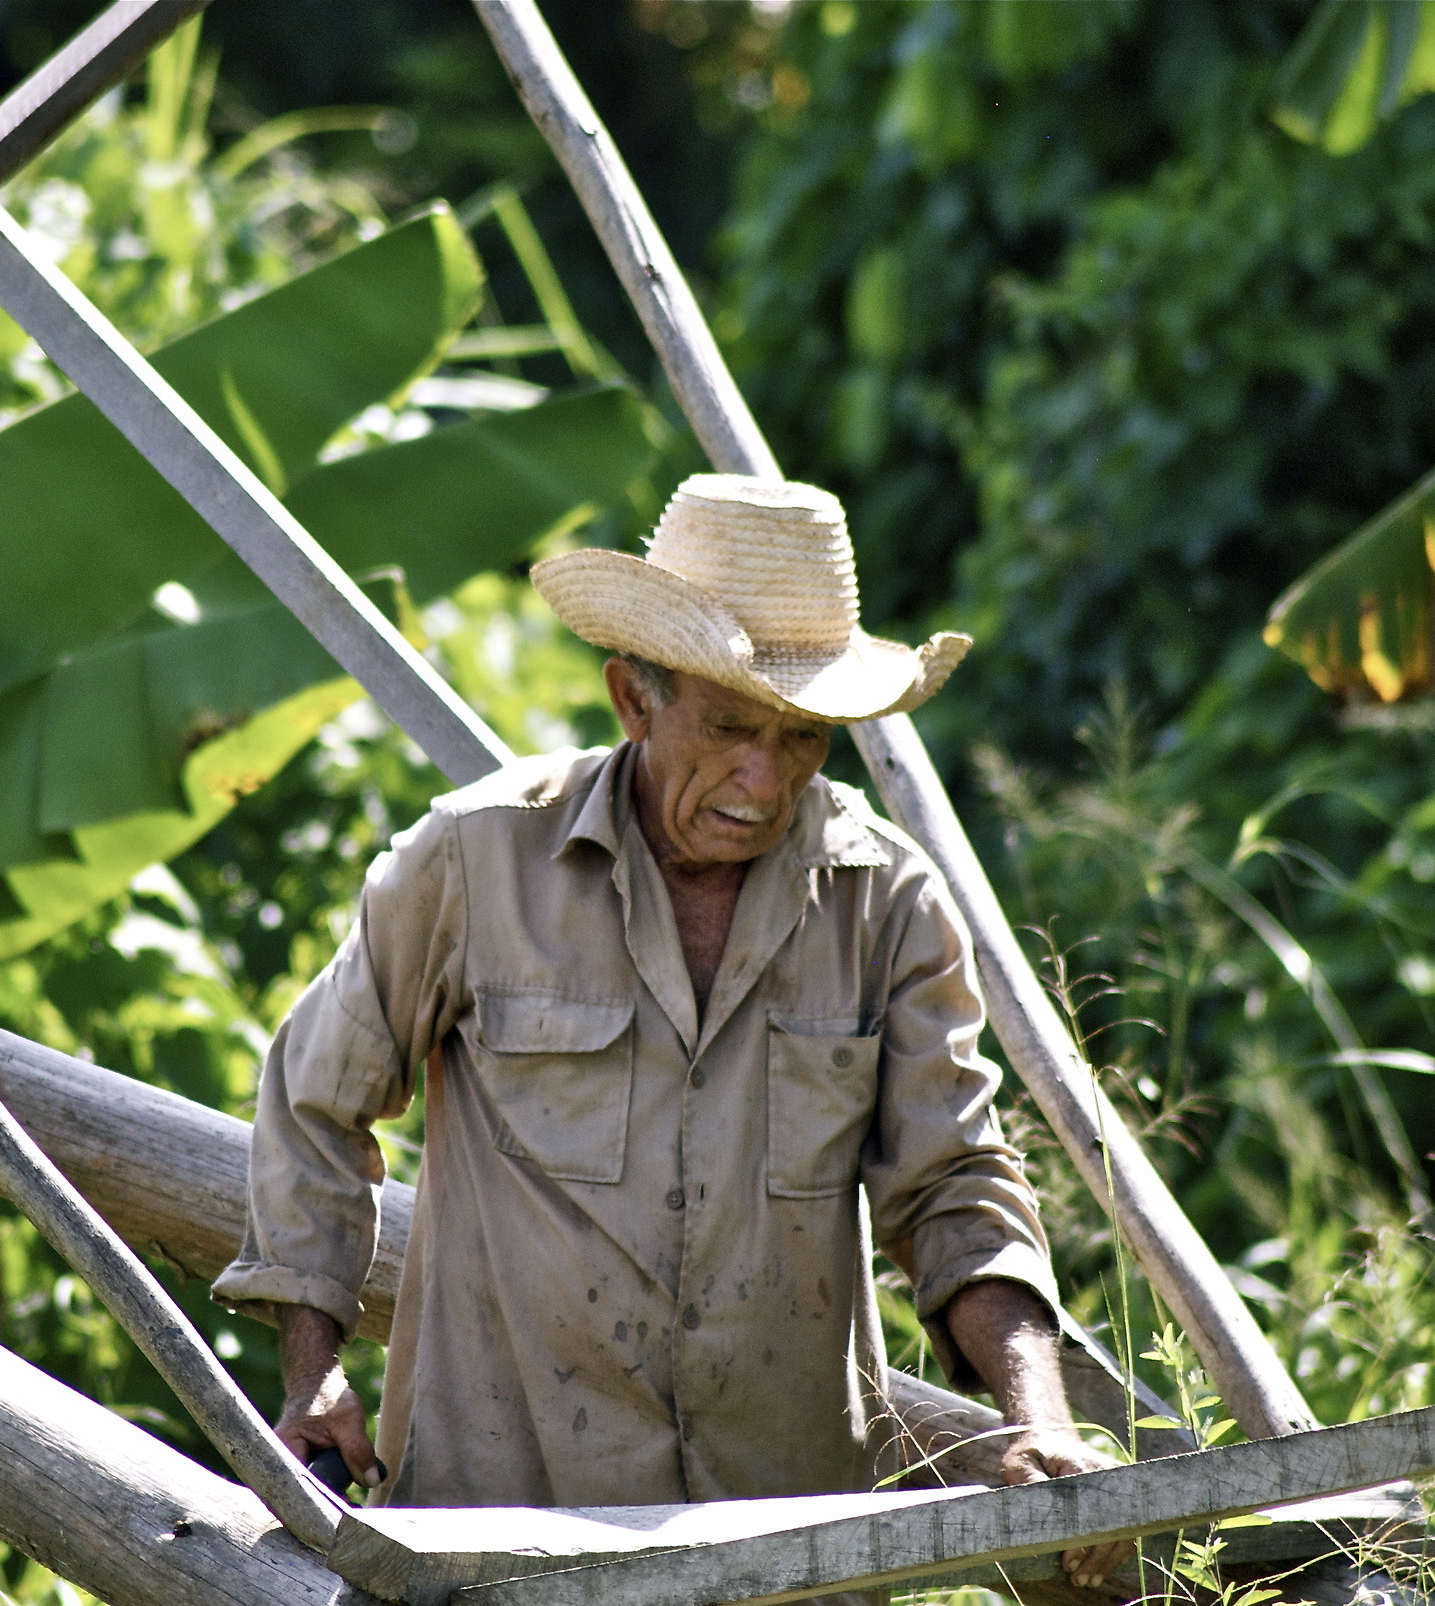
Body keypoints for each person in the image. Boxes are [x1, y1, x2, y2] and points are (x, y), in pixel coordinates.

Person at [215, 474, 1128, 1591]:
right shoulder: (476, 862)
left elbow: (952, 1188)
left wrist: (1039, 1419)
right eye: (731, 726)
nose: (765, 778)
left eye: (804, 739)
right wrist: (314, 1375)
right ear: (633, 698)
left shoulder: (885, 901)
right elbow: (315, 1102)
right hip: (498, 1533)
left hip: (789, 1545)